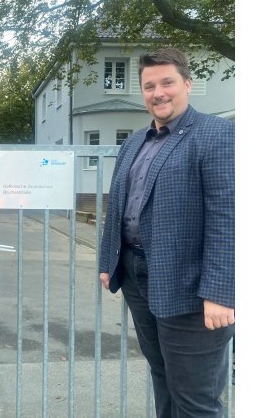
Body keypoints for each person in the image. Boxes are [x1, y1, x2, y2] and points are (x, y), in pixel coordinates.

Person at [98, 48, 235, 418]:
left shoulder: (218, 134)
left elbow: (229, 217)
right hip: (138, 279)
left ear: (187, 84)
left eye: (167, 83)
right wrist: (109, 259)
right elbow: (121, 207)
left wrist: (222, 293)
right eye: (149, 86)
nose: (158, 92)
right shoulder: (134, 143)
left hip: (193, 290)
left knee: (196, 399)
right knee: (163, 377)